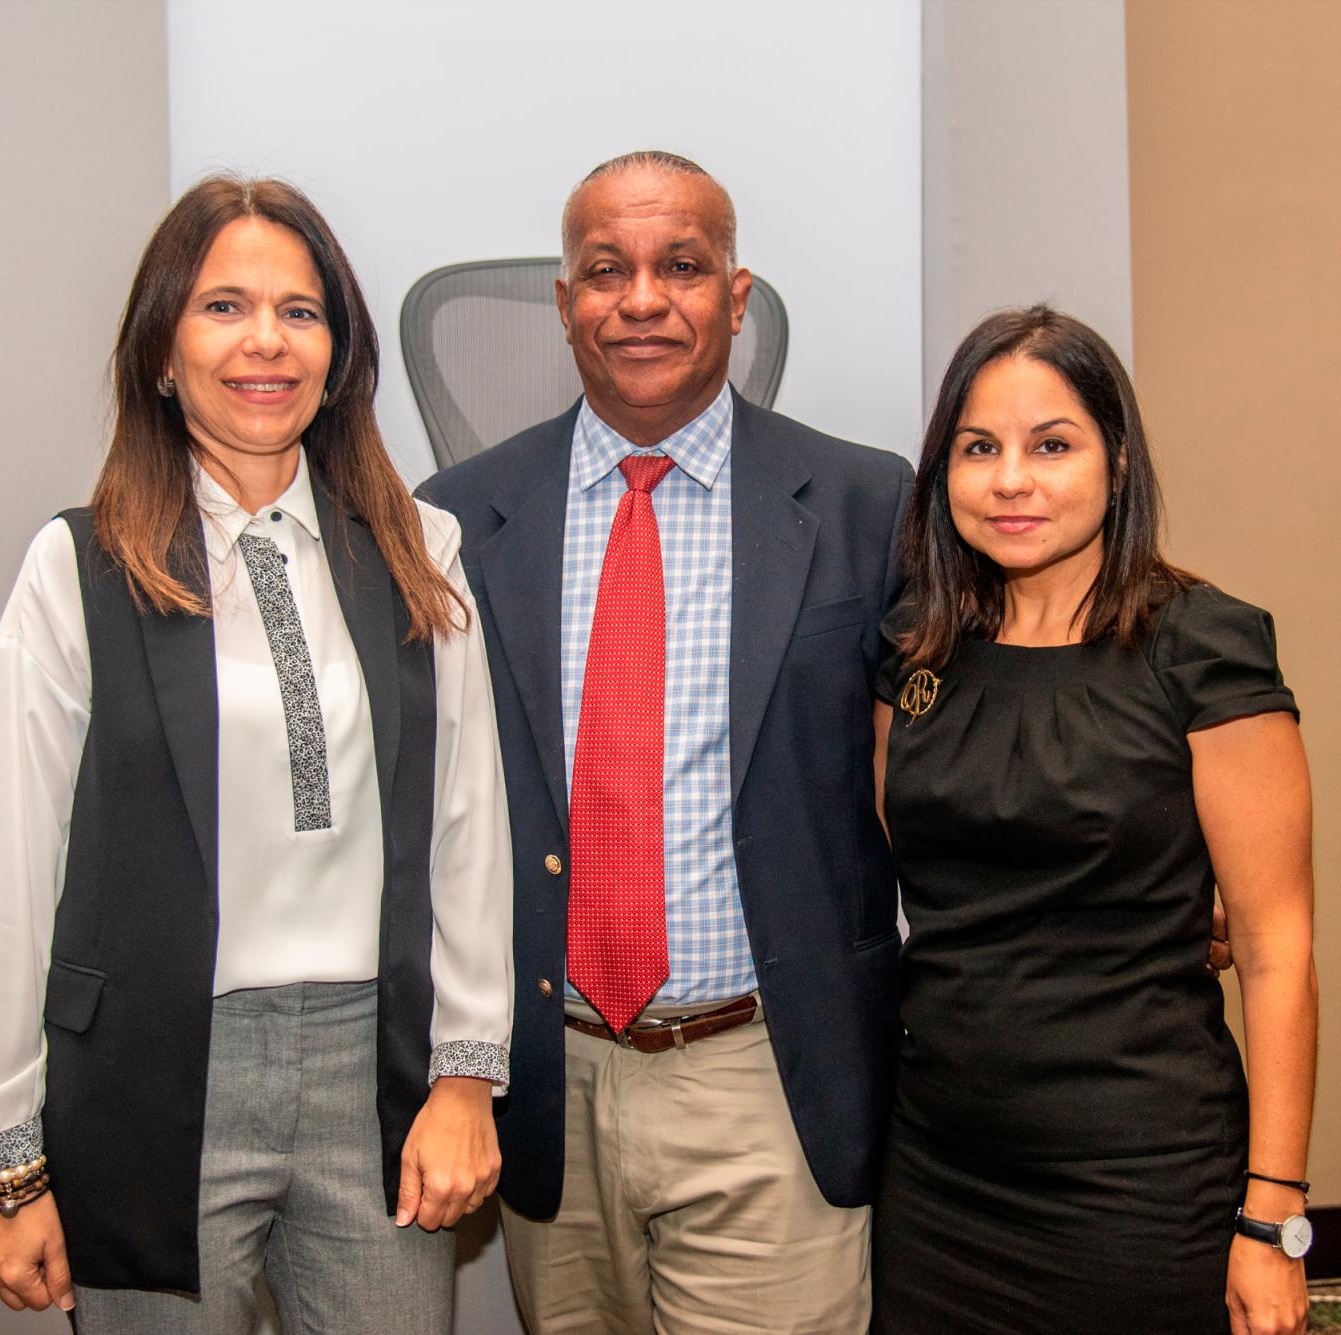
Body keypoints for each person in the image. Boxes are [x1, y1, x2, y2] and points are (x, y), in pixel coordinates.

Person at [0, 175, 514, 1334]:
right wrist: (4, 1165)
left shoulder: (421, 550)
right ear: (161, 348)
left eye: (300, 313)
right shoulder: (77, 572)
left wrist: (465, 1076)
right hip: (159, 1080)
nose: (266, 341)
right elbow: (8, 880)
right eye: (223, 306)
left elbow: (467, 831)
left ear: (338, 352)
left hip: (377, 1080)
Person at [417, 151, 912, 1333]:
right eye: (605, 271)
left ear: (735, 298)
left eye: (681, 267)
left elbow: (937, 770)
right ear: (564, 305)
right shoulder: (455, 518)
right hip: (553, 1067)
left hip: (764, 1073)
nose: (642, 299)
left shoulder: (863, 503)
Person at [869, 306, 1318, 1335]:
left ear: (1117, 465)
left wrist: (1271, 1215)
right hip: (937, 1171)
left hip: (1139, 1180)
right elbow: (911, 861)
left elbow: (1274, 947)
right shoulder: (913, 647)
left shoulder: (1203, 648)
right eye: (978, 448)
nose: (1010, 479)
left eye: (1051, 445)